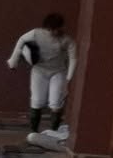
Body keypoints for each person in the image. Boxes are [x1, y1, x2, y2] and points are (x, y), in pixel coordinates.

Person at [7, 11, 76, 139]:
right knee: (37, 100)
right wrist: (13, 60)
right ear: (46, 28)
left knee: (55, 102)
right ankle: (34, 131)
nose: (54, 32)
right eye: (51, 29)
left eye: (57, 29)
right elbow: (21, 41)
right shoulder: (36, 33)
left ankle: (54, 133)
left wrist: (69, 78)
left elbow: (73, 58)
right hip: (39, 70)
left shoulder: (66, 40)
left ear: (61, 27)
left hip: (58, 71)